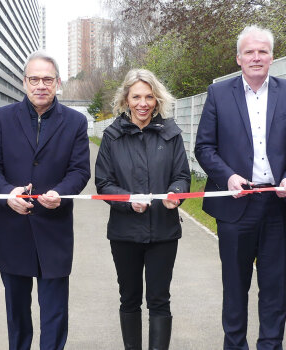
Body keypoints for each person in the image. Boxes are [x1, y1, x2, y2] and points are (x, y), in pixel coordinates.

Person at [194, 25, 286, 350]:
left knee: (274, 289)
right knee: (235, 287)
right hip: (235, 206)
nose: (256, 57)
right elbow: (204, 147)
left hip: (278, 205)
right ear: (239, 58)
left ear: (272, 57)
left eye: (262, 51)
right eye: (250, 51)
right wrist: (228, 177)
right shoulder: (219, 94)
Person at [0, 51, 90, 350]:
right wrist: (7, 194)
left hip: (54, 229)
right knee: (17, 311)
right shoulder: (3, 117)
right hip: (12, 228)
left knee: (54, 312)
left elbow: (80, 170)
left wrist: (61, 194)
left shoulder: (75, 122)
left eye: (47, 79)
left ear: (58, 83)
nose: (41, 85)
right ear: (24, 82)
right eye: (34, 79)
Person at [95, 69, 191, 350]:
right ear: (126, 99)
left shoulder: (171, 134)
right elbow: (103, 182)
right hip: (124, 234)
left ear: (157, 99)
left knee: (160, 299)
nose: (143, 103)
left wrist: (178, 193)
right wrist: (127, 199)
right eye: (136, 96)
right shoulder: (112, 137)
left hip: (164, 231)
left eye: (149, 96)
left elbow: (182, 176)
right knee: (130, 298)